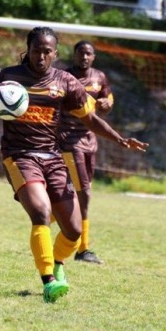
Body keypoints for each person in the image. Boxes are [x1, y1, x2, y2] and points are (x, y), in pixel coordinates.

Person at [0, 27, 149, 303]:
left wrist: (119, 139)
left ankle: (57, 261)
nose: (41, 57)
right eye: (36, 51)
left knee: (74, 230)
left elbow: (90, 119)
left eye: (47, 52)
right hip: (19, 155)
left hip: (52, 157)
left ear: (55, 54)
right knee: (41, 212)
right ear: (28, 50)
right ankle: (48, 281)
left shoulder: (66, 81)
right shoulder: (10, 76)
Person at [58, 41, 113, 265]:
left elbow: (108, 97)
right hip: (69, 140)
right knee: (84, 193)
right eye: (81, 53)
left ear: (94, 57)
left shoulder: (99, 77)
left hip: (90, 140)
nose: (84, 57)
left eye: (88, 53)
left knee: (80, 192)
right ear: (74, 55)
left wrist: (107, 103)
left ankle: (46, 218)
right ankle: (83, 249)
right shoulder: (64, 77)